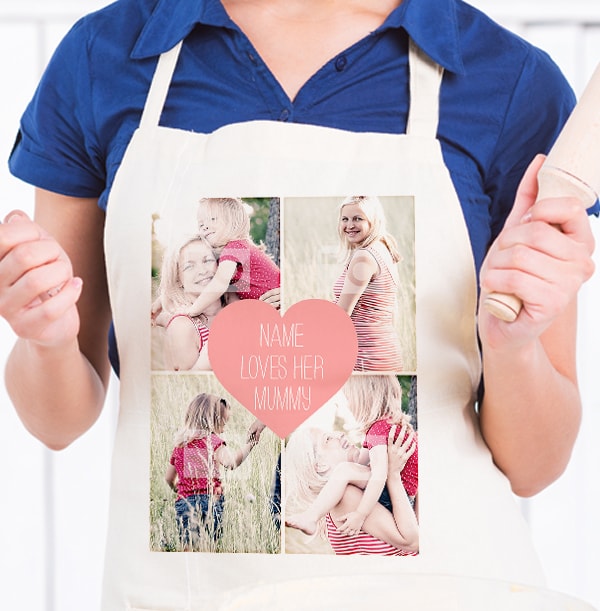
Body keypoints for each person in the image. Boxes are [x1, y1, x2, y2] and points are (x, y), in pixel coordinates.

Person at [0, 0, 596, 607]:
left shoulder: (508, 79)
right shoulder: (104, 56)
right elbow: (57, 421)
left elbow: (535, 465)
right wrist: (43, 337)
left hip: (445, 590)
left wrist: (512, 344)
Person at [287, 375, 417, 537]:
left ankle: (310, 517)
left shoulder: (378, 430)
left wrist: (360, 514)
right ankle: (310, 517)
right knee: (345, 469)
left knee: (344, 470)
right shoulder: (385, 426)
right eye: (328, 438)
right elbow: (361, 461)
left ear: (364, 400)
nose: (348, 405)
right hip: (403, 496)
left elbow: (379, 475)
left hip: (396, 495)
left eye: (349, 399)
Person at [285, 423, 419, 556]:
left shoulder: (365, 489)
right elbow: (414, 543)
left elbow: (420, 530)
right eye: (327, 439)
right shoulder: (345, 497)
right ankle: (309, 517)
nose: (339, 434)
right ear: (320, 465)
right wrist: (393, 475)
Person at [165, 392, 258, 550]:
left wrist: (179, 491)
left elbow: (168, 478)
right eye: (223, 423)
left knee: (188, 547)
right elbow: (231, 463)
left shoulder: (180, 445)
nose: (223, 430)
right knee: (209, 546)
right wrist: (250, 444)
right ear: (212, 420)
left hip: (184, 503)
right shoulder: (213, 442)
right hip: (211, 501)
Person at [334, 196, 404, 372]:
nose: (349, 225)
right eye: (345, 219)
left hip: (365, 358)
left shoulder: (364, 257)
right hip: (385, 352)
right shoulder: (384, 249)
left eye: (358, 218)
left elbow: (341, 315)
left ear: (373, 221)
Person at [185, 197, 280, 317]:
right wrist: (159, 304)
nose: (205, 227)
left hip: (280, 303)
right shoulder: (232, 252)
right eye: (201, 224)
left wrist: (193, 310)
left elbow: (220, 283)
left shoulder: (235, 246)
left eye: (213, 219)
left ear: (233, 221)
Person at [153, 233, 226, 370]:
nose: (202, 271)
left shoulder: (237, 306)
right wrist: (208, 359)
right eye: (189, 266)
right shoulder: (183, 326)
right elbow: (183, 388)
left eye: (207, 260)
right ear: (178, 280)